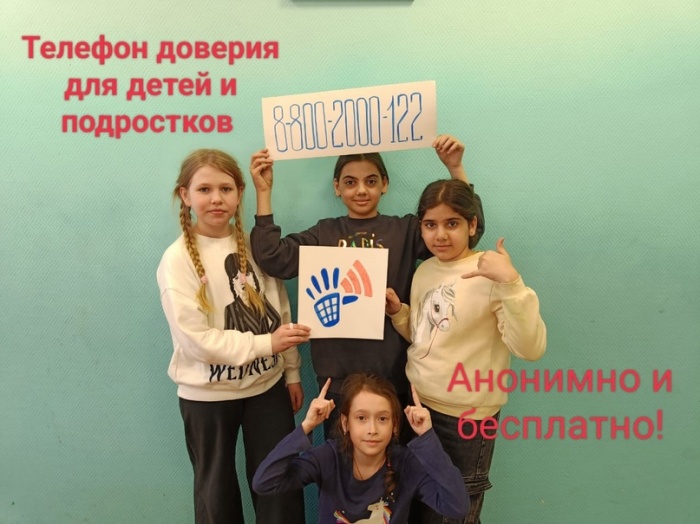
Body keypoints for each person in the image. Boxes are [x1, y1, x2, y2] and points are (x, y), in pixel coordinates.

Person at [249, 136, 485, 437]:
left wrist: (455, 168)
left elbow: (467, 232)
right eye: (350, 182)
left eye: (371, 181)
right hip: (337, 380)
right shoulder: (323, 233)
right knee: (340, 460)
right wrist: (264, 192)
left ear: (384, 184)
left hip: (394, 376)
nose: (361, 190)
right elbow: (272, 258)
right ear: (337, 187)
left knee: (394, 462)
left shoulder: (406, 230)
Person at [156, 149, 309, 524]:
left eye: (225, 188)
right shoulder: (177, 260)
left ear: (240, 193)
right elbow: (195, 339)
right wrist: (265, 344)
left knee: (279, 484)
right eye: (204, 189)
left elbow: (280, 308)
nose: (216, 198)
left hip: (266, 387)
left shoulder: (255, 247)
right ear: (185, 195)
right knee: (216, 493)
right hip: (207, 395)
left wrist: (291, 371)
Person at [385, 179, 547, 524]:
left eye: (452, 223)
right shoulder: (425, 269)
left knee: (453, 514)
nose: (440, 235)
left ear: (472, 225)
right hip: (417, 406)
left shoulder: (490, 273)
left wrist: (512, 283)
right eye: (430, 225)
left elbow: (531, 348)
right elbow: (425, 335)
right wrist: (399, 313)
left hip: (466, 421)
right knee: (417, 509)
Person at [252, 373, 469, 523]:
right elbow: (264, 482)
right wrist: (306, 426)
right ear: (346, 423)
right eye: (361, 418)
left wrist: (428, 438)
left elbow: (457, 507)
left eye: (382, 419)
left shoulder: (406, 463)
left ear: (394, 425)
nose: (372, 430)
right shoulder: (329, 456)